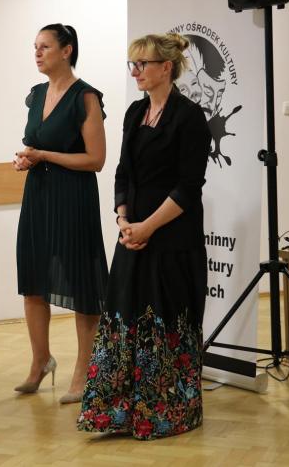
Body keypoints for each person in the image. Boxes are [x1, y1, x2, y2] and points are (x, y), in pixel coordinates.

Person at [77, 33, 211, 439]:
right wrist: (123, 219)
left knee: (165, 318)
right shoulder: (135, 112)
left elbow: (188, 187)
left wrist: (148, 226)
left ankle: (165, 414)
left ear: (166, 68)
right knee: (124, 316)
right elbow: (123, 172)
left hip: (172, 238)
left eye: (142, 64)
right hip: (132, 235)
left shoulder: (189, 117)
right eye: (132, 64)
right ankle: (117, 412)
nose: (135, 72)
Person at [13, 24, 109, 404]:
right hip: (38, 195)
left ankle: (84, 372)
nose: (37, 53)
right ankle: (41, 361)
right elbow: (34, 143)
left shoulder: (85, 97)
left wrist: (44, 155)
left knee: (82, 284)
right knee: (33, 280)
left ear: (67, 50)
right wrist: (26, 158)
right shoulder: (36, 94)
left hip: (73, 198)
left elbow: (96, 160)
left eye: (45, 47)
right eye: (35, 47)